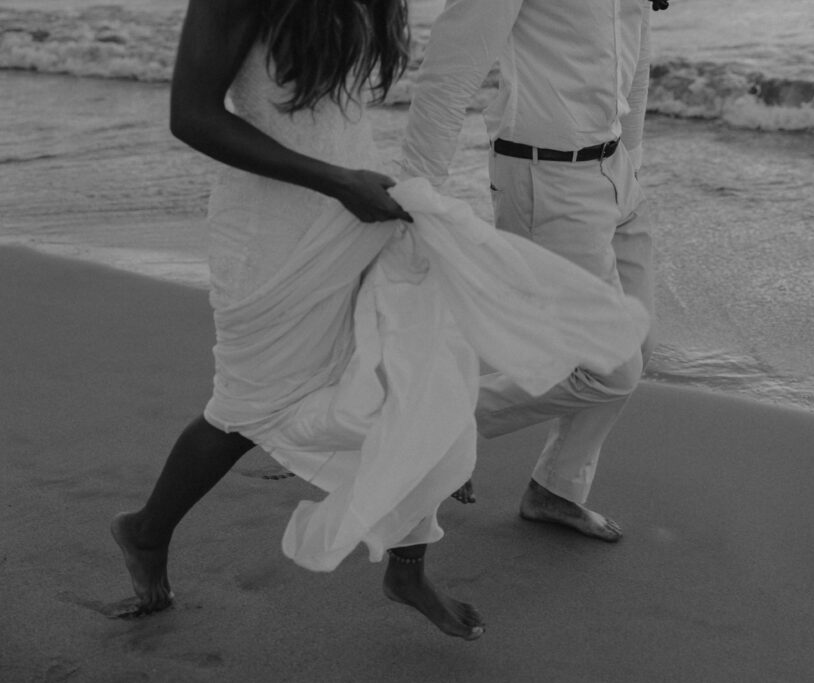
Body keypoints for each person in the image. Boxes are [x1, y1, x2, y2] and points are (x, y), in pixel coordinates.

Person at [111, 0, 647, 641]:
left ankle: (408, 572)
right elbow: (192, 116)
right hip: (273, 229)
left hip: (359, 203)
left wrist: (387, 191)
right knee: (246, 405)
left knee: (418, 374)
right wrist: (336, 181)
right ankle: (144, 530)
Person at [401, 0, 667, 541]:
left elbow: (635, 55)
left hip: (615, 168)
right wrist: (416, 197)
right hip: (547, 179)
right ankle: (437, 430)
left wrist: (631, 163)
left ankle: (556, 488)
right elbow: (450, 73)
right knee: (610, 369)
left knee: (638, 346)